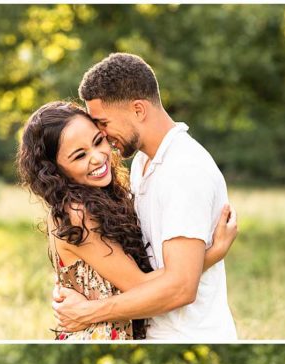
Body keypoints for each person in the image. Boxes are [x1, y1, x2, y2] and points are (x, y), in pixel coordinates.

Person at [53, 53, 238, 341]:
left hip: (187, 334)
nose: (100, 134)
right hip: (154, 331)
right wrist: (211, 255)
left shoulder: (184, 170)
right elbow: (153, 271)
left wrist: (87, 312)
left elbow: (180, 287)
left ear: (138, 110)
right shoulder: (142, 163)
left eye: (102, 122)